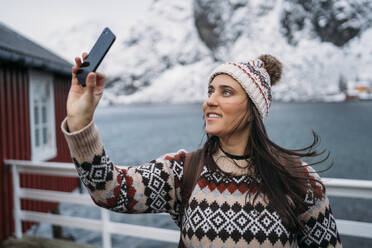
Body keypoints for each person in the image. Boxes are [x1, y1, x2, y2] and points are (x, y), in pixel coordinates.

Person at [61, 52, 343, 248]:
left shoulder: (299, 179)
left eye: (226, 92)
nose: (210, 101)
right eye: (210, 91)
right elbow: (110, 191)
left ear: (254, 107)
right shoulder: (182, 171)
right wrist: (80, 121)